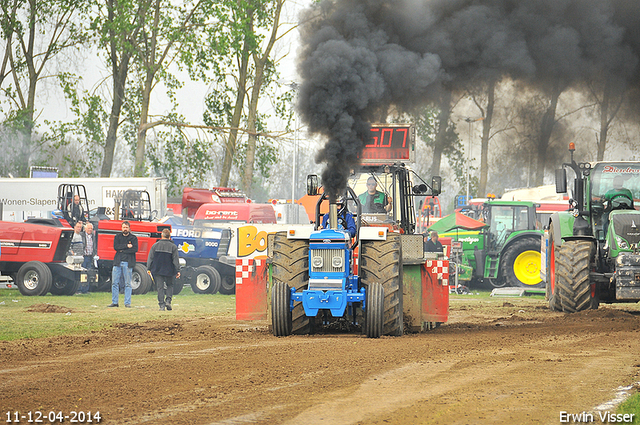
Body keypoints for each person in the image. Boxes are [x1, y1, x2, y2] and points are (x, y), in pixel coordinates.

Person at [147, 228, 181, 311]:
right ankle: (168, 301)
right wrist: (178, 270)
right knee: (170, 285)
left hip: (158, 270)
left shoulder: (155, 245)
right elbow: (175, 260)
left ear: (161, 235)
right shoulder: (173, 247)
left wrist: (148, 268)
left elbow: (150, 258)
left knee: (160, 288)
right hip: (169, 270)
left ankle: (161, 305)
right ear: (169, 236)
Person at [108, 221, 138, 308]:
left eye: (126, 227)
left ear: (129, 228)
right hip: (117, 262)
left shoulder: (133, 238)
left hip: (128, 263)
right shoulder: (117, 237)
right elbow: (115, 247)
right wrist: (126, 246)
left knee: (128, 283)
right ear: (121, 228)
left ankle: (127, 303)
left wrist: (122, 250)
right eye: (124, 227)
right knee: (114, 283)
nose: (125, 229)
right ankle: (115, 302)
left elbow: (135, 249)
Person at [78, 222, 97, 294]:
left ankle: (85, 290)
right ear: (85, 228)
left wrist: (94, 254)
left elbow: (94, 246)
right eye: (89, 228)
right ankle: (79, 289)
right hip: (83, 257)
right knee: (82, 273)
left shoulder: (93, 236)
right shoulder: (81, 235)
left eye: (91, 229)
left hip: (90, 257)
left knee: (89, 273)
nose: (90, 230)